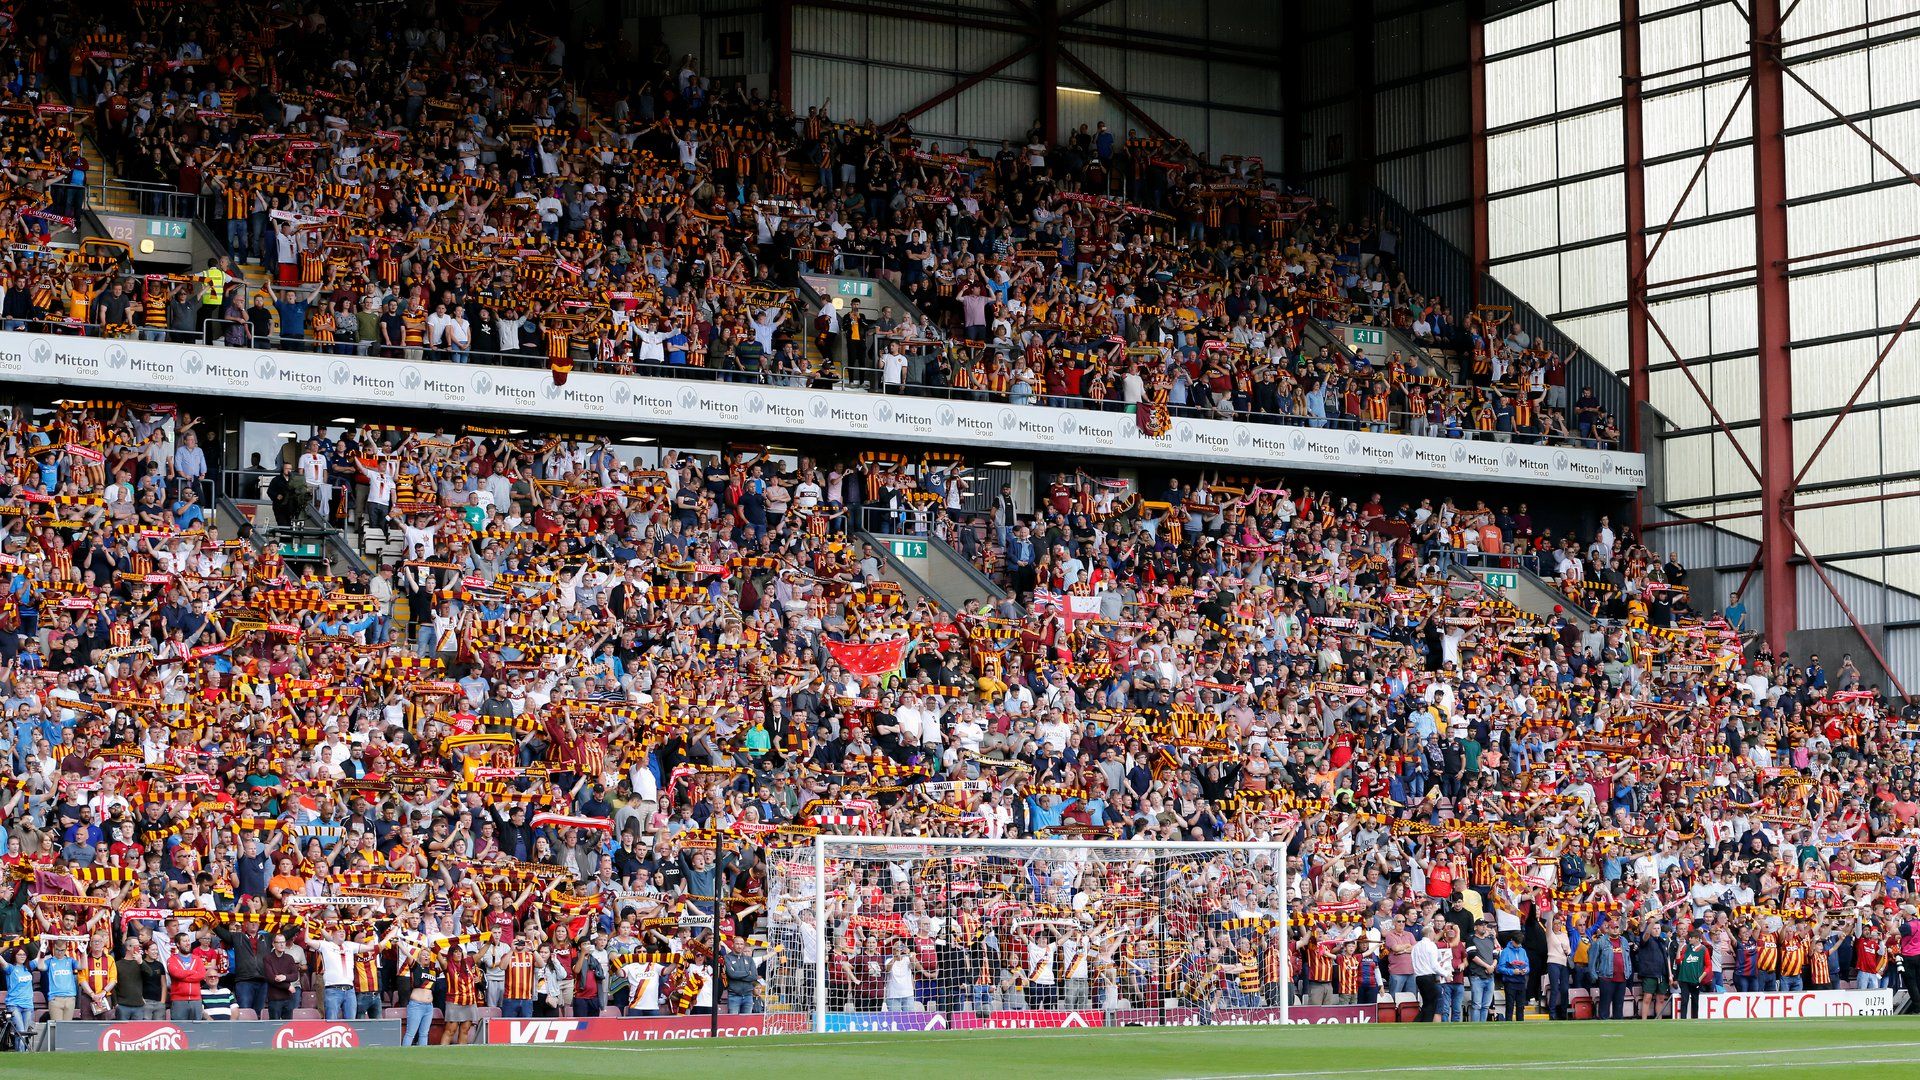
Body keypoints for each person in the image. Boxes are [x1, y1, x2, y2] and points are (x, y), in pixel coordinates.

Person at [1674, 927, 1709, 1020]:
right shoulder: (1686, 948)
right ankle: (1683, 1020)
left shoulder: (1703, 949)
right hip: (1684, 978)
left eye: (1691, 937)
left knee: (1695, 1000)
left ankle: (1694, 1019)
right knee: (1684, 1000)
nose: (1689, 939)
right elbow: (1678, 961)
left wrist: (1700, 978)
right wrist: (1679, 946)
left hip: (1695, 979)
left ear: (1697, 938)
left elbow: (1709, 966)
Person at [1496, 936, 1531, 1022]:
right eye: (1516, 943)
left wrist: (1525, 970)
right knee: (1510, 1005)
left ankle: (1520, 1025)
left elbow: (1527, 965)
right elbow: (1500, 968)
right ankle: (1508, 1024)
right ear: (1512, 941)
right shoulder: (1505, 951)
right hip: (1510, 982)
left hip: (1521, 981)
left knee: (1521, 1006)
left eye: (1519, 943)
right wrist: (1512, 971)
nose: (1518, 945)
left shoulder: (1523, 951)